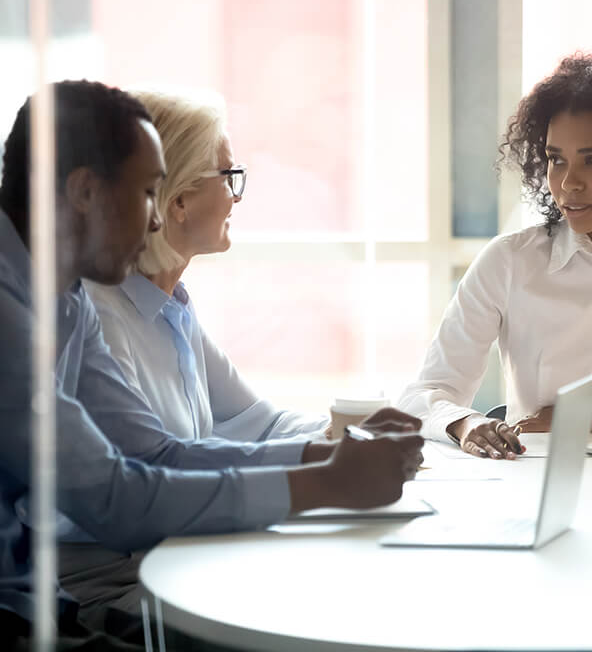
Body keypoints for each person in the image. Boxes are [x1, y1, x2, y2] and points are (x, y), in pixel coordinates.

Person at [0, 80, 424, 651]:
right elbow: (116, 499)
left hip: (49, 606)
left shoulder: (69, 299)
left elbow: (155, 452)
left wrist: (326, 455)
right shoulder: (10, 311)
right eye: (149, 193)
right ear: (84, 192)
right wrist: (326, 480)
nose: (154, 221)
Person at [399, 50, 592, 459]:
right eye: (556, 160)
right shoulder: (509, 263)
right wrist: (468, 423)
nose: (568, 182)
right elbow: (425, 393)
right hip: (533, 483)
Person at [83, 88, 327, 444]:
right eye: (229, 177)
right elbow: (153, 472)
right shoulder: (101, 318)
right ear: (179, 200)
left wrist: (350, 430)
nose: (236, 196)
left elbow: (261, 423)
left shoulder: (172, 310)